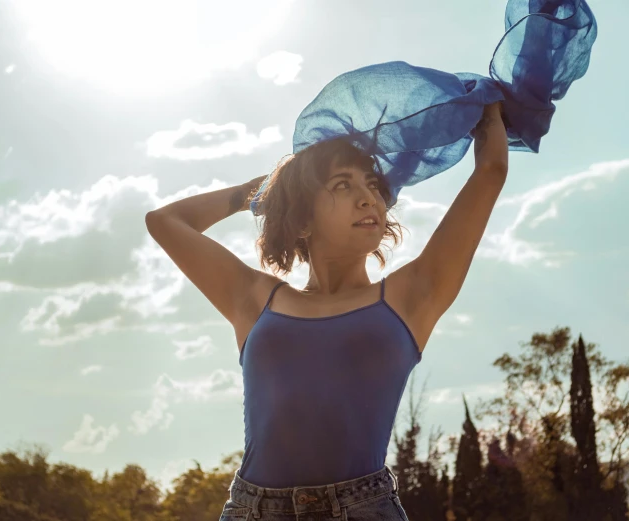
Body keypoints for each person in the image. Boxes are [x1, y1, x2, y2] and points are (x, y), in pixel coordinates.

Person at [145, 101, 508, 520]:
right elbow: (165, 221)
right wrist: (257, 192)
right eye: (342, 185)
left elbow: (490, 172)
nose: (367, 198)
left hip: (363, 510)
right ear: (302, 220)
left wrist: (491, 111)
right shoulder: (255, 298)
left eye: (372, 185)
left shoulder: (413, 295)